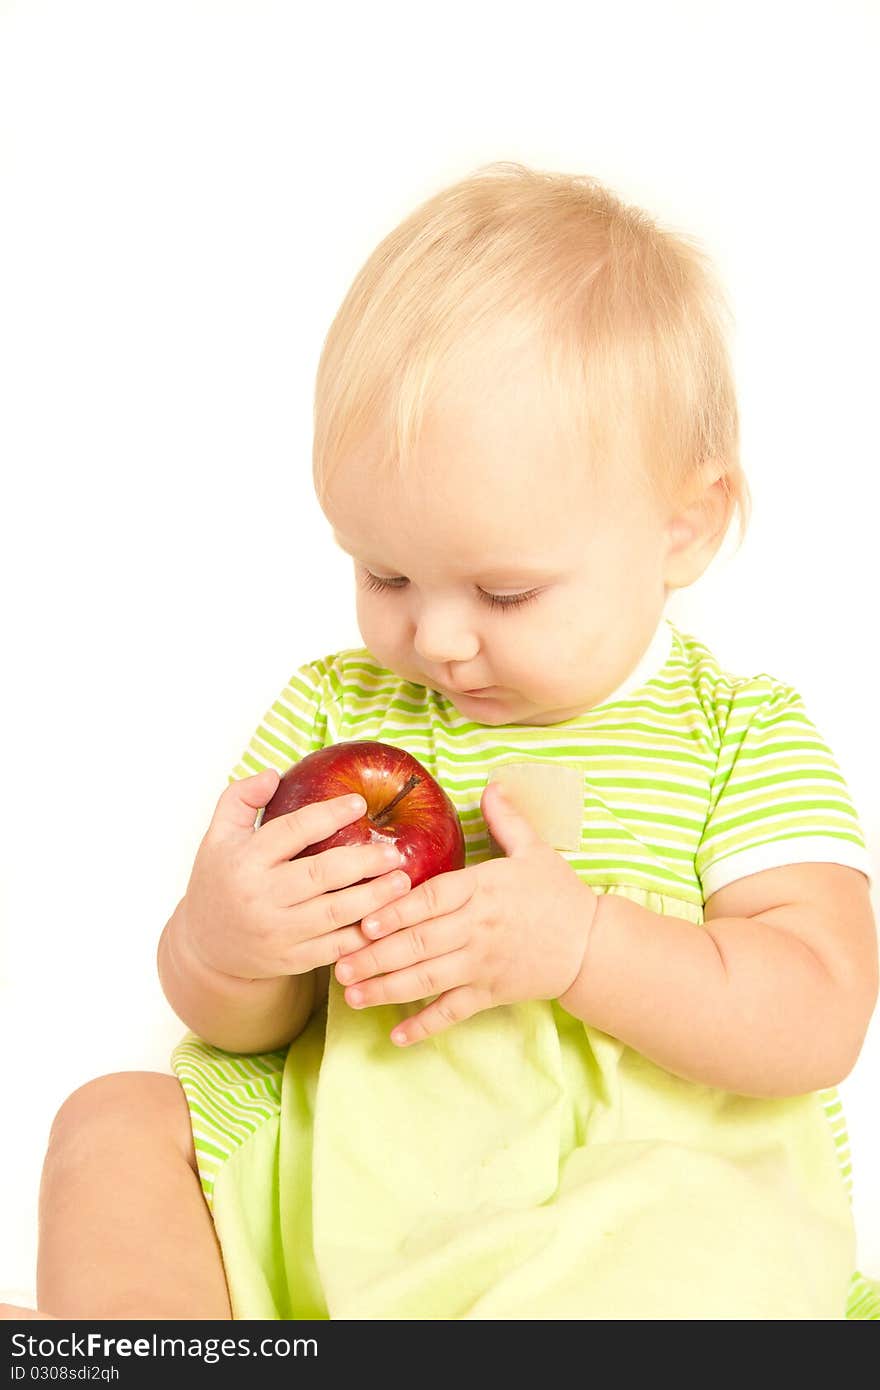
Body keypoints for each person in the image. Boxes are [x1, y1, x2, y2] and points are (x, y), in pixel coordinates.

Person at [11, 162, 880, 1321]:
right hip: (344, 1206)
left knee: (707, 1240)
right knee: (113, 1119)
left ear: (684, 526)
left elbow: (817, 1012)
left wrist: (581, 946)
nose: (434, 636)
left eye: (506, 592)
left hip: (617, 1218)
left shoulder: (737, 735)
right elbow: (241, 1022)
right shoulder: (333, 710)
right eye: (383, 572)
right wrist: (227, 942)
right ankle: (174, 1345)